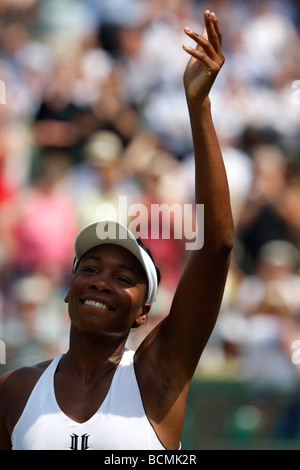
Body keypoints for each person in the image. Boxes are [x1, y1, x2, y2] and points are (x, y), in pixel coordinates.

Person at [0, 10, 234, 450]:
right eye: (90, 268)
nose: (102, 282)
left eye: (124, 278)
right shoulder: (14, 391)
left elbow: (216, 245)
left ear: (143, 312)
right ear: (68, 289)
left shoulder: (157, 375)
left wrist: (198, 108)